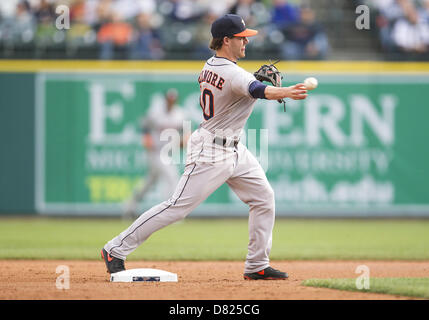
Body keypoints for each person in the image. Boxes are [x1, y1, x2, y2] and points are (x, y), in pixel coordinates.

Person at [101, 13, 308, 280]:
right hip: (210, 150)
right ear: (225, 40)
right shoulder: (232, 73)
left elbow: (238, 85)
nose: (246, 42)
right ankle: (115, 249)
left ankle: (257, 264)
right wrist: (286, 90)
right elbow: (257, 90)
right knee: (176, 208)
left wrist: (252, 79)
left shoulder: (211, 64)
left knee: (264, 198)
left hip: (234, 149)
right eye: (241, 38)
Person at [122, 88, 186, 219]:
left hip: (167, 152)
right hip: (155, 152)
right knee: (172, 176)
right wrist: (146, 137)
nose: (171, 102)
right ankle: (170, 213)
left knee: (149, 182)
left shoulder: (179, 114)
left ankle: (129, 205)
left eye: (173, 99)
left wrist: (182, 141)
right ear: (165, 99)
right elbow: (144, 124)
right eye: (169, 99)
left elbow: (184, 133)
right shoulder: (156, 112)